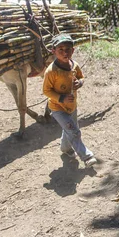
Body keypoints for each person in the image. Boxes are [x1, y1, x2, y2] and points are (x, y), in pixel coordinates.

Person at [43, 33, 97, 168]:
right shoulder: (51, 71)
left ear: (73, 50)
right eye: (60, 49)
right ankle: (87, 156)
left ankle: (65, 149)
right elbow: (46, 91)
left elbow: (81, 77)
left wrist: (80, 82)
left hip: (72, 106)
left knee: (70, 129)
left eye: (68, 49)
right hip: (57, 108)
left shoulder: (74, 65)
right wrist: (61, 98)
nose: (65, 52)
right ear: (53, 51)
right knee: (74, 132)